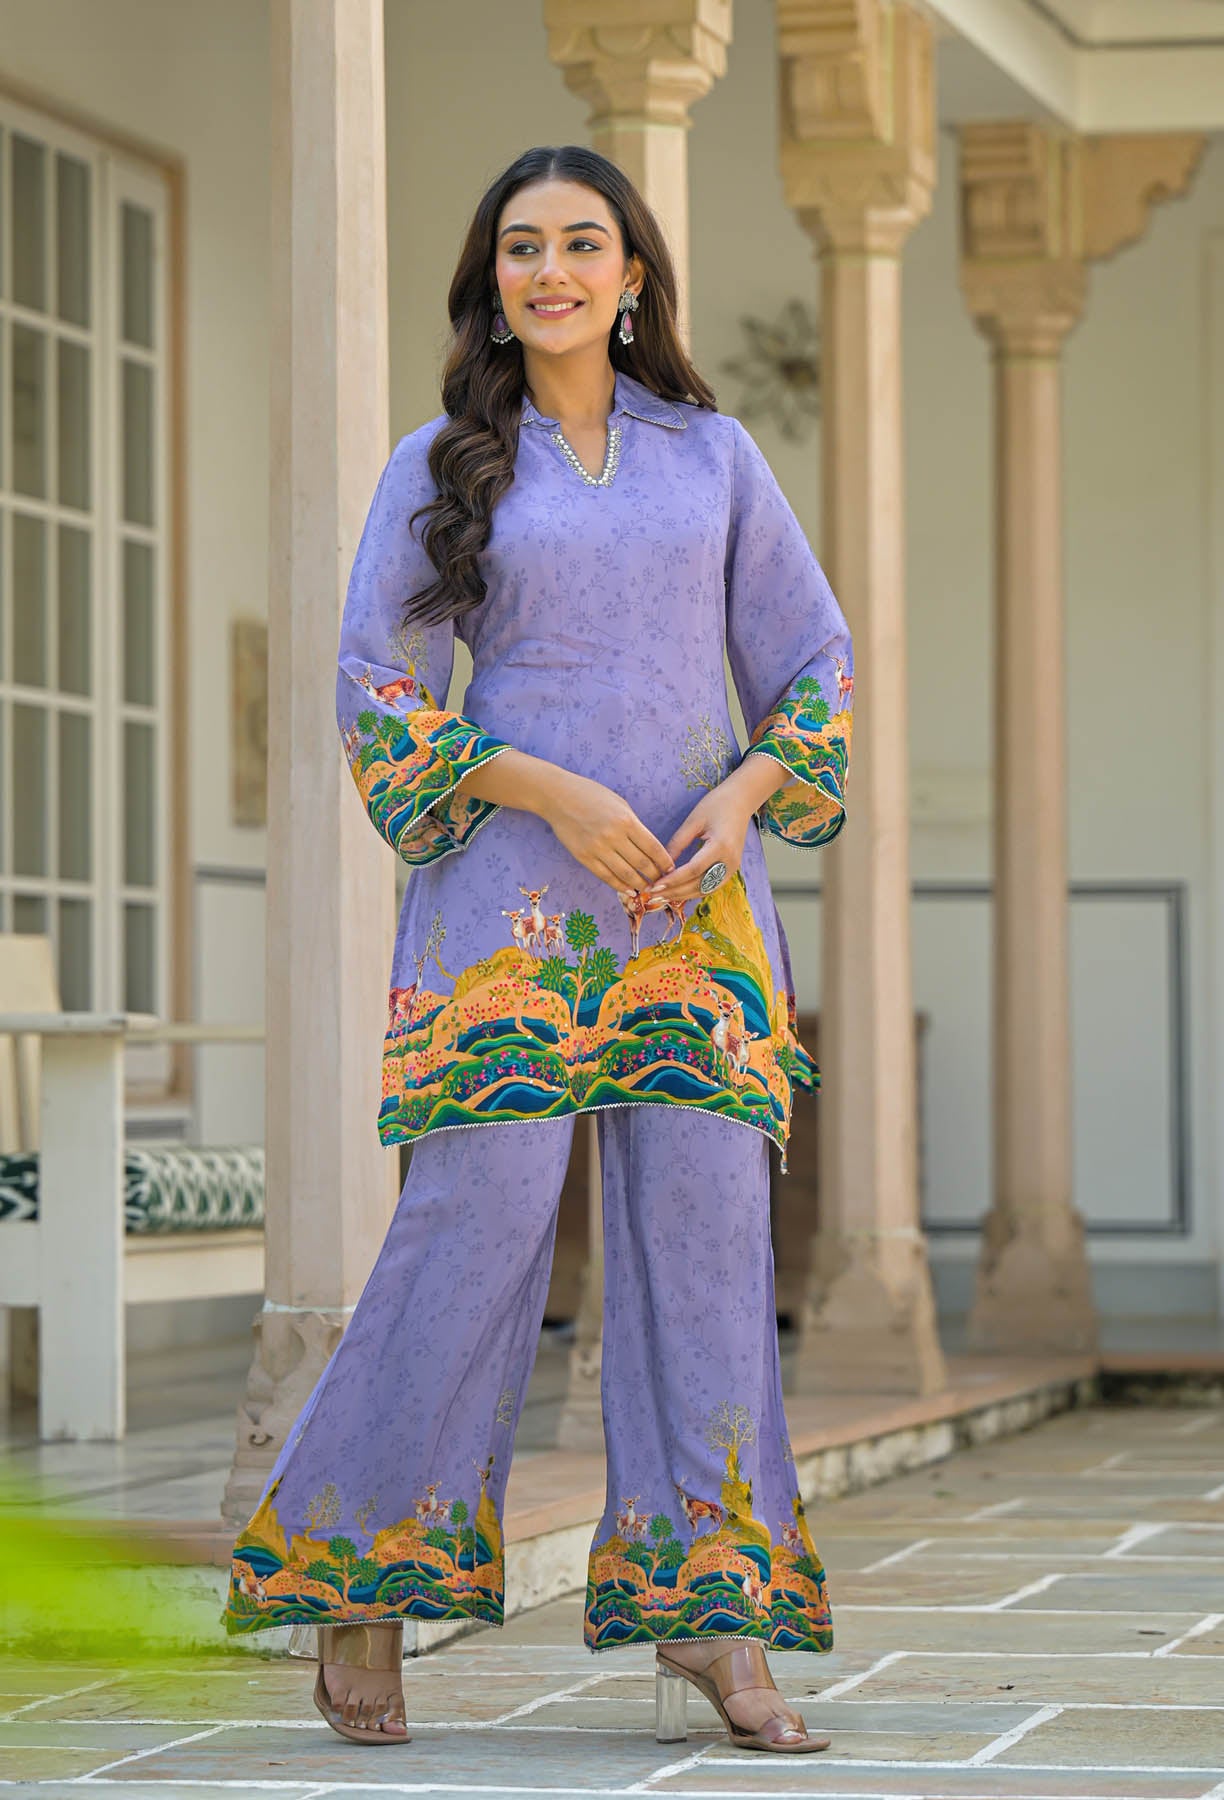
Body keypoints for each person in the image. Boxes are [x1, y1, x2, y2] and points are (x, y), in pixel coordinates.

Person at [225, 143, 853, 1757]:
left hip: (693, 925)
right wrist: (550, 786)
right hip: (506, 920)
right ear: (493, 277)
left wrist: (743, 799)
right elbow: (379, 686)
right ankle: (366, 1581)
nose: (553, 269)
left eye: (586, 243)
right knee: (470, 1239)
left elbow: (819, 672)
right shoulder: (441, 461)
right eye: (523, 246)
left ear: (635, 275)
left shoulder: (712, 458)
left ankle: (720, 1623)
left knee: (708, 1258)